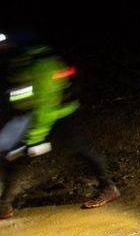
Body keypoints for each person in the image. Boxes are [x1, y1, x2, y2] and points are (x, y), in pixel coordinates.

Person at [1, 38, 119, 219]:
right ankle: (4, 204)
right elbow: (21, 95)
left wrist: (35, 139)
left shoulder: (40, 64)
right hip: (35, 117)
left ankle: (108, 187)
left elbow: (46, 105)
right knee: (16, 157)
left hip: (63, 115)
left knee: (80, 149)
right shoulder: (18, 62)